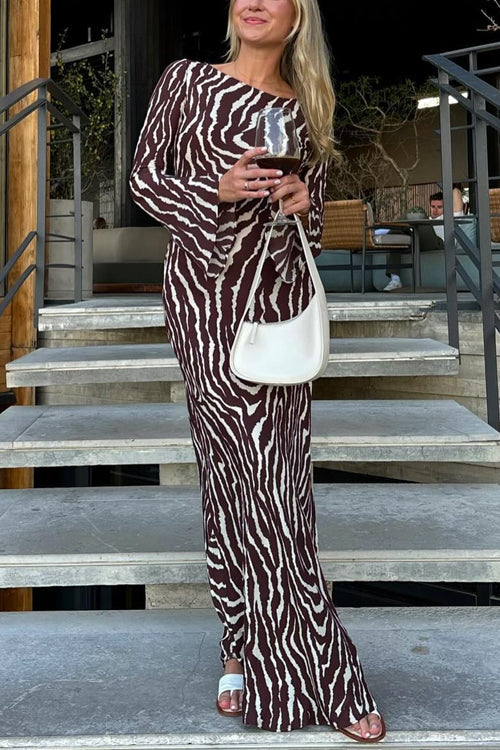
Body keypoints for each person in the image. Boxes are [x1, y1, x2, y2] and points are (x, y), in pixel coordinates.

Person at [129, 0, 385, 742]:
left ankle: (278, 655)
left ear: (297, 15)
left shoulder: (304, 107)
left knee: (276, 486)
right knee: (232, 476)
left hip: (276, 304)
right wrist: (214, 189)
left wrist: (305, 203)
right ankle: (275, 654)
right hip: (206, 303)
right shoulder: (186, 80)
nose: (256, 1)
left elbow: (310, 220)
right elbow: (144, 180)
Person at [384, 185, 465, 291]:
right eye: (433, 206)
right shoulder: (428, 219)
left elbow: (456, 192)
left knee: (417, 211)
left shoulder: (452, 216)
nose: (435, 210)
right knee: (396, 239)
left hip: (439, 244)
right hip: (419, 241)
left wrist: (448, 183)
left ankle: (394, 227)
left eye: (439, 207)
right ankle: (395, 280)